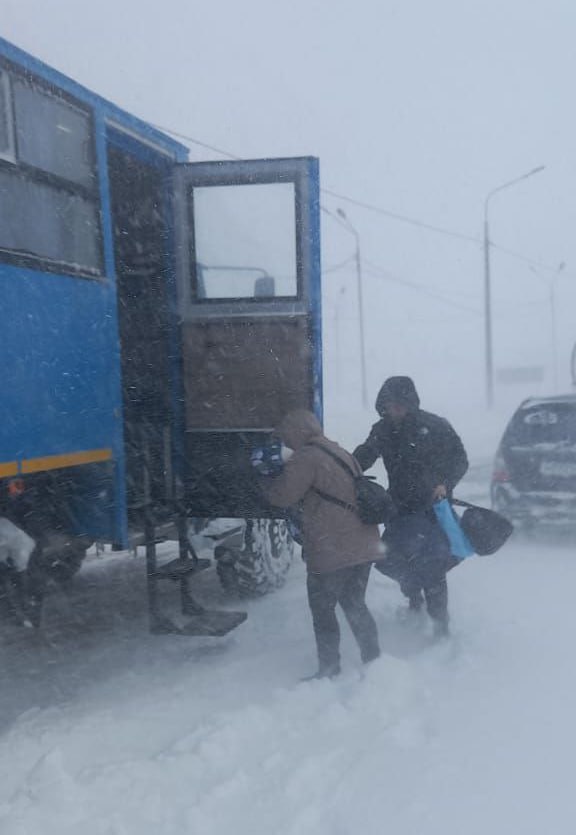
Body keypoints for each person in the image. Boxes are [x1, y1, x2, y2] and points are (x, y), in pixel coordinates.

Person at [257, 409, 381, 679]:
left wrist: (265, 477)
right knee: (355, 603)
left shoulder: (307, 457)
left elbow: (282, 496)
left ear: (296, 432)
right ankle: (374, 661)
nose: (287, 443)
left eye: (287, 437)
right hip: (365, 542)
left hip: (333, 548)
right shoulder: (339, 451)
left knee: (322, 609)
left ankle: (329, 668)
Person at [353, 377, 468, 637]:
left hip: (433, 509)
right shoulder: (382, 430)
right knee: (397, 559)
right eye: (388, 406)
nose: (393, 411)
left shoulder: (435, 426)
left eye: (399, 405)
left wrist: (445, 484)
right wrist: (343, 467)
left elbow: (460, 459)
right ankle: (414, 599)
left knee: (434, 564)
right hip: (400, 509)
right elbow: (365, 455)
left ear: (411, 404)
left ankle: (441, 624)